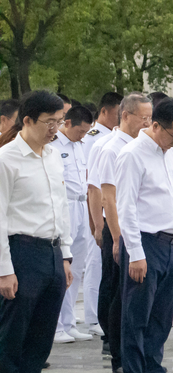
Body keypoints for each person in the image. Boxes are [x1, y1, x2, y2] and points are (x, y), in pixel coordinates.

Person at [0, 91, 75, 373]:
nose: (56, 129)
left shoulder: (52, 156)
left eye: (59, 122)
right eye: (50, 122)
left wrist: (66, 255)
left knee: (41, 335)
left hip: (52, 252)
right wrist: (4, 269)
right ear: (27, 120)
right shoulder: (7, 159)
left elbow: (60, 207)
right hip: (21, 251)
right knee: (12, 335)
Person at [115, 98, 173, 373]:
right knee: (137, 317)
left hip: (166, 243)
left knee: (161, 317)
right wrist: (135, 253)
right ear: (155, 125)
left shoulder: (170, 152)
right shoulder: (133, 155)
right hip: (143, 243)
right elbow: (127, 207)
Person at [91, 93, 152, 373]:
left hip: (141, 232)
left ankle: (135, 354)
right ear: (125, 116)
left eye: (151, 118)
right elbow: (109, 198)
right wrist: (117, 237)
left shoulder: (144, 146)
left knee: (133, 299)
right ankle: (118, 356)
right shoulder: (111, 148)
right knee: (118, 295)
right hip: (121, 234)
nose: (148, 123)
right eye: (144, 118)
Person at [50, 106, 95, 344]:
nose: (83, 135)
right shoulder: (53, 145)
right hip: (64, 206)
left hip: (81, 204)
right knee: (62, 266)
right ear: (66, 123)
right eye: (80, 131)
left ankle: (68, 322)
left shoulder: (82, 145)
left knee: (76, 268)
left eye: (87, 131)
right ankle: (56, 326)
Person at [81, 92, 122, 337]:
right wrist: (96, 223)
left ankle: (106, 322)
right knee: (96, 266)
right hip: (99, 212)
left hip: (115, 212)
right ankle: (94, 318)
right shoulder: (96, 140)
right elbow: (93, 186)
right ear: (106, 111)